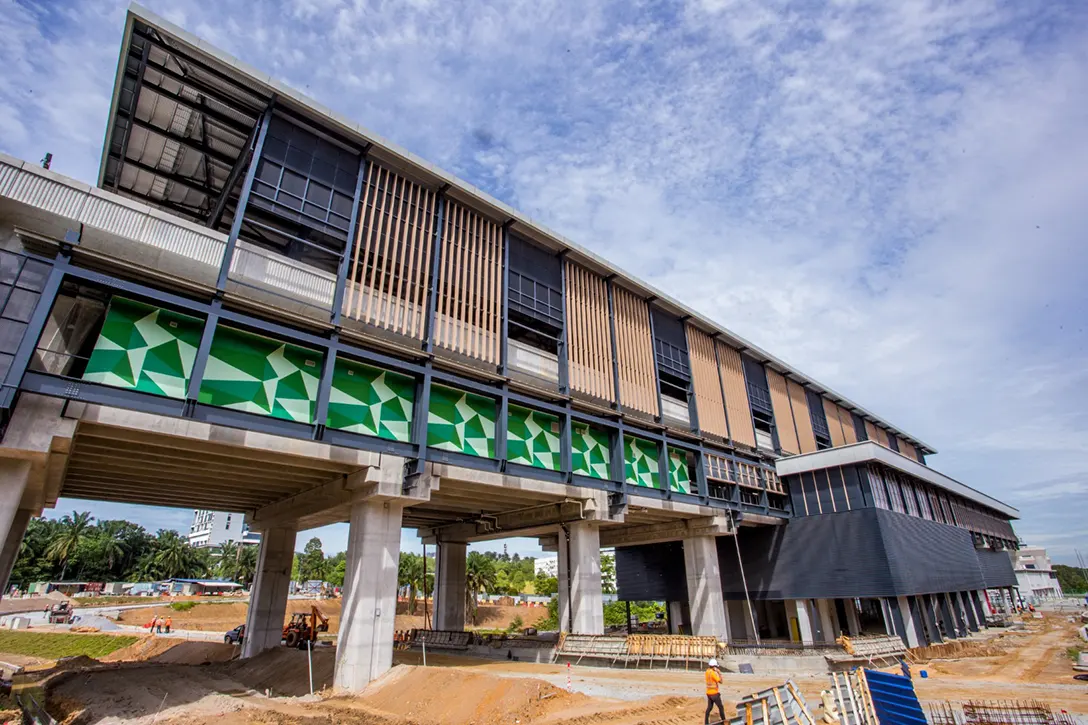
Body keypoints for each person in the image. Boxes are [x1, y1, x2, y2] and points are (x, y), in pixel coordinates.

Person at [704, 658, 725, 725]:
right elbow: (721, 681)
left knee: (709, 708)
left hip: (708, 693)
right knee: (721, 707)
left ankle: (706, 722)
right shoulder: (713, 673)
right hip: (714, 694)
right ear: (714, 666)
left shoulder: (707, 672)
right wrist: (719, 673)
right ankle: (724, 722)